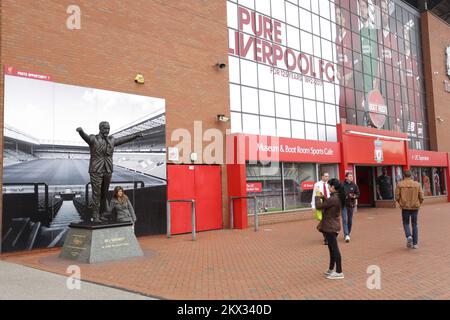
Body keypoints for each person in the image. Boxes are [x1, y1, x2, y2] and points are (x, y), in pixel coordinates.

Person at [77, 122, 143, 223]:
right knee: (96, 194)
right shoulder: (93, 138)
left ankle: (104, 214)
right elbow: (85, 137)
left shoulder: (111, 140)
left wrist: (135, 135)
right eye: (105, 129)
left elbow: (123, 139)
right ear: (100, 128)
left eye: (108, 129)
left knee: (104, 193)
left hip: (108, 169)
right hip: (96, 170)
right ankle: (95, 216)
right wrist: (81, 131)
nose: (107, 131)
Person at [315, 178, 346, 280]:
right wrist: (323, 197)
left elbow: (319, 206)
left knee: (334, 249)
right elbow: (328, 203)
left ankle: (339, 271)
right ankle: (331, 269)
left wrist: (317, 196)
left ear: (333, 187)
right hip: (333, 225)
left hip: (331, 226)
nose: (328, 188)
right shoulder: (336, 197)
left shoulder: (334, 198)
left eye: (328, 186)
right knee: (331, 248)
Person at [395, 170, 424, 249]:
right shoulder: (417, 184)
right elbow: (421, 196)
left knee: (406, 223)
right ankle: (415, 244)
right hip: (415, 206)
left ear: (404, 176)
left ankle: (408, 236)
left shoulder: (400, 184)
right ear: (411, 175)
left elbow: (397, 196)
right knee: (414, 224)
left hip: (405, 207)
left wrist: (401, 203)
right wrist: (418, 203)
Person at [312, 172, 330, 245]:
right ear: (322, 176)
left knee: (328, 222)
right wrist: (313, 206)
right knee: (324, 222)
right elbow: (314, 195)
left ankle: (328, 236)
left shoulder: (329, 185)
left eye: (328, 176)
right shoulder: (317, 184)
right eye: (326, 176)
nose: (327, 177)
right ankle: (326, 238)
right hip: (322, 205)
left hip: (329, 205)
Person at [342, 173, 360, 243]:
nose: (351, 177)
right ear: (346, 177)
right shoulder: (342, 185)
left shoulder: (354, 185)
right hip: (344, 205)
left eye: (352, 176)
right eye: (350, 176)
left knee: (350, 220)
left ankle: (348, 233)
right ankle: (346, 234)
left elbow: (358, 194)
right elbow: (339, 193)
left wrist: (354, 196)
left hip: (351, 205)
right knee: (344, 220)